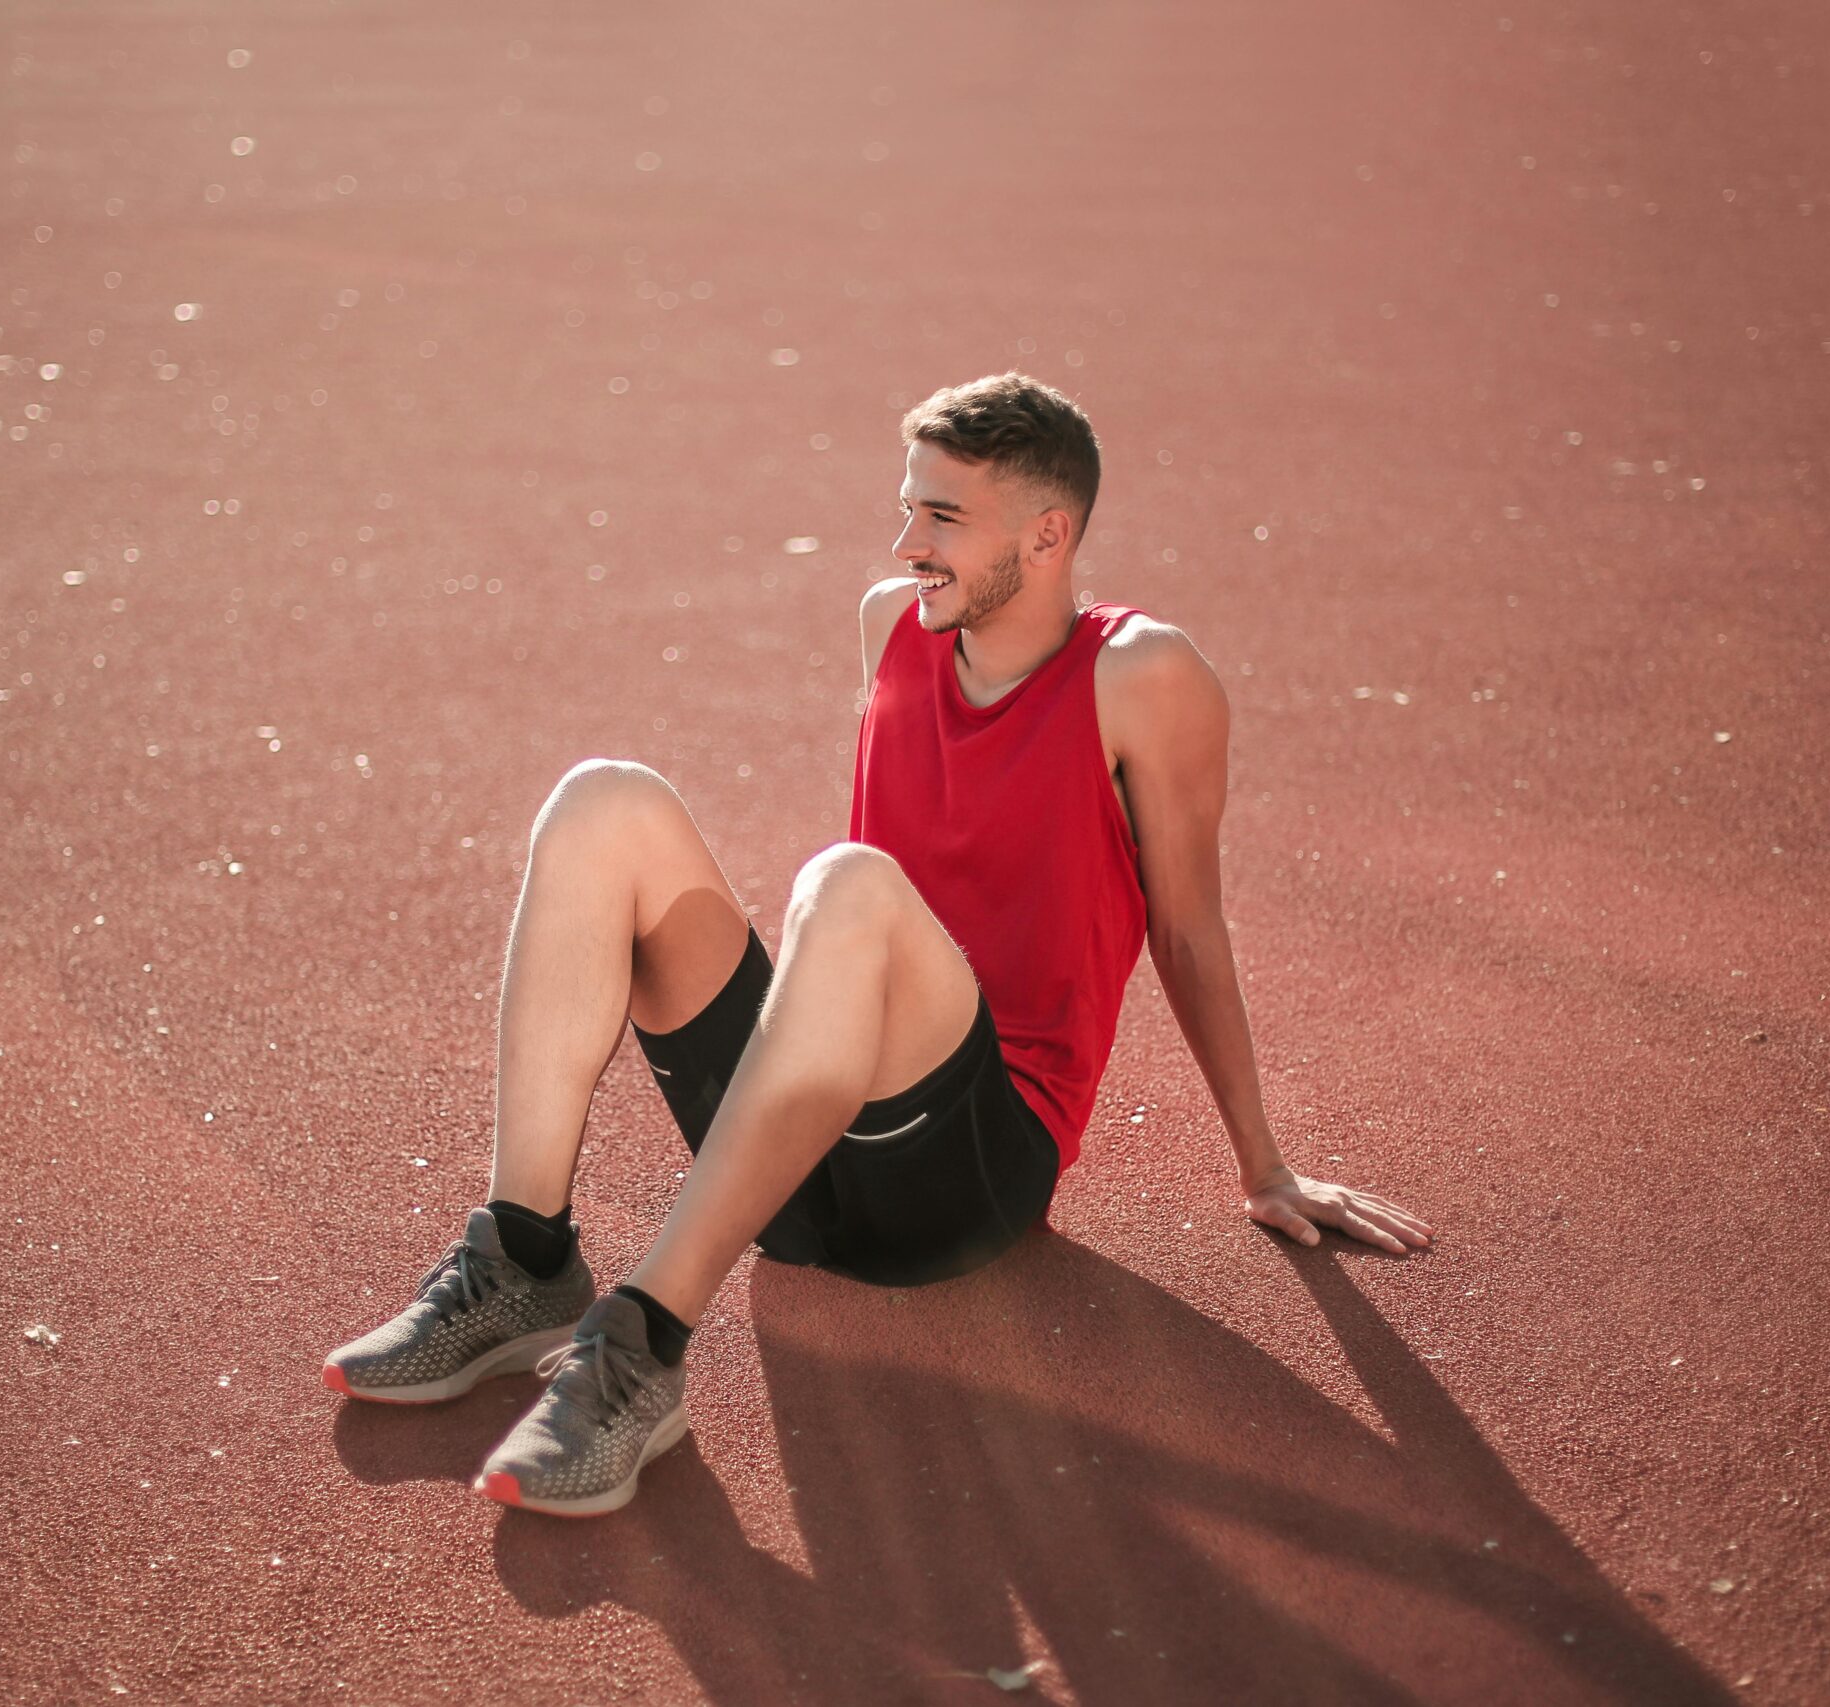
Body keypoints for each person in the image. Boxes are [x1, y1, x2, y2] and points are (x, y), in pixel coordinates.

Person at [323, 372, 1433, 1516]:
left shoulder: (1143, 678)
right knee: (604, 802)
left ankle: (644, 1337)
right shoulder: (888, 625)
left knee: (847, 883)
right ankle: (522, 1256)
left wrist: (1263, 1164)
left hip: (971, 1167)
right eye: (908, 509)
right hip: (807, 1149)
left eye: (943, 517)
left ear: (1048, 534)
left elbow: (1187, 925)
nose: (907, 543)